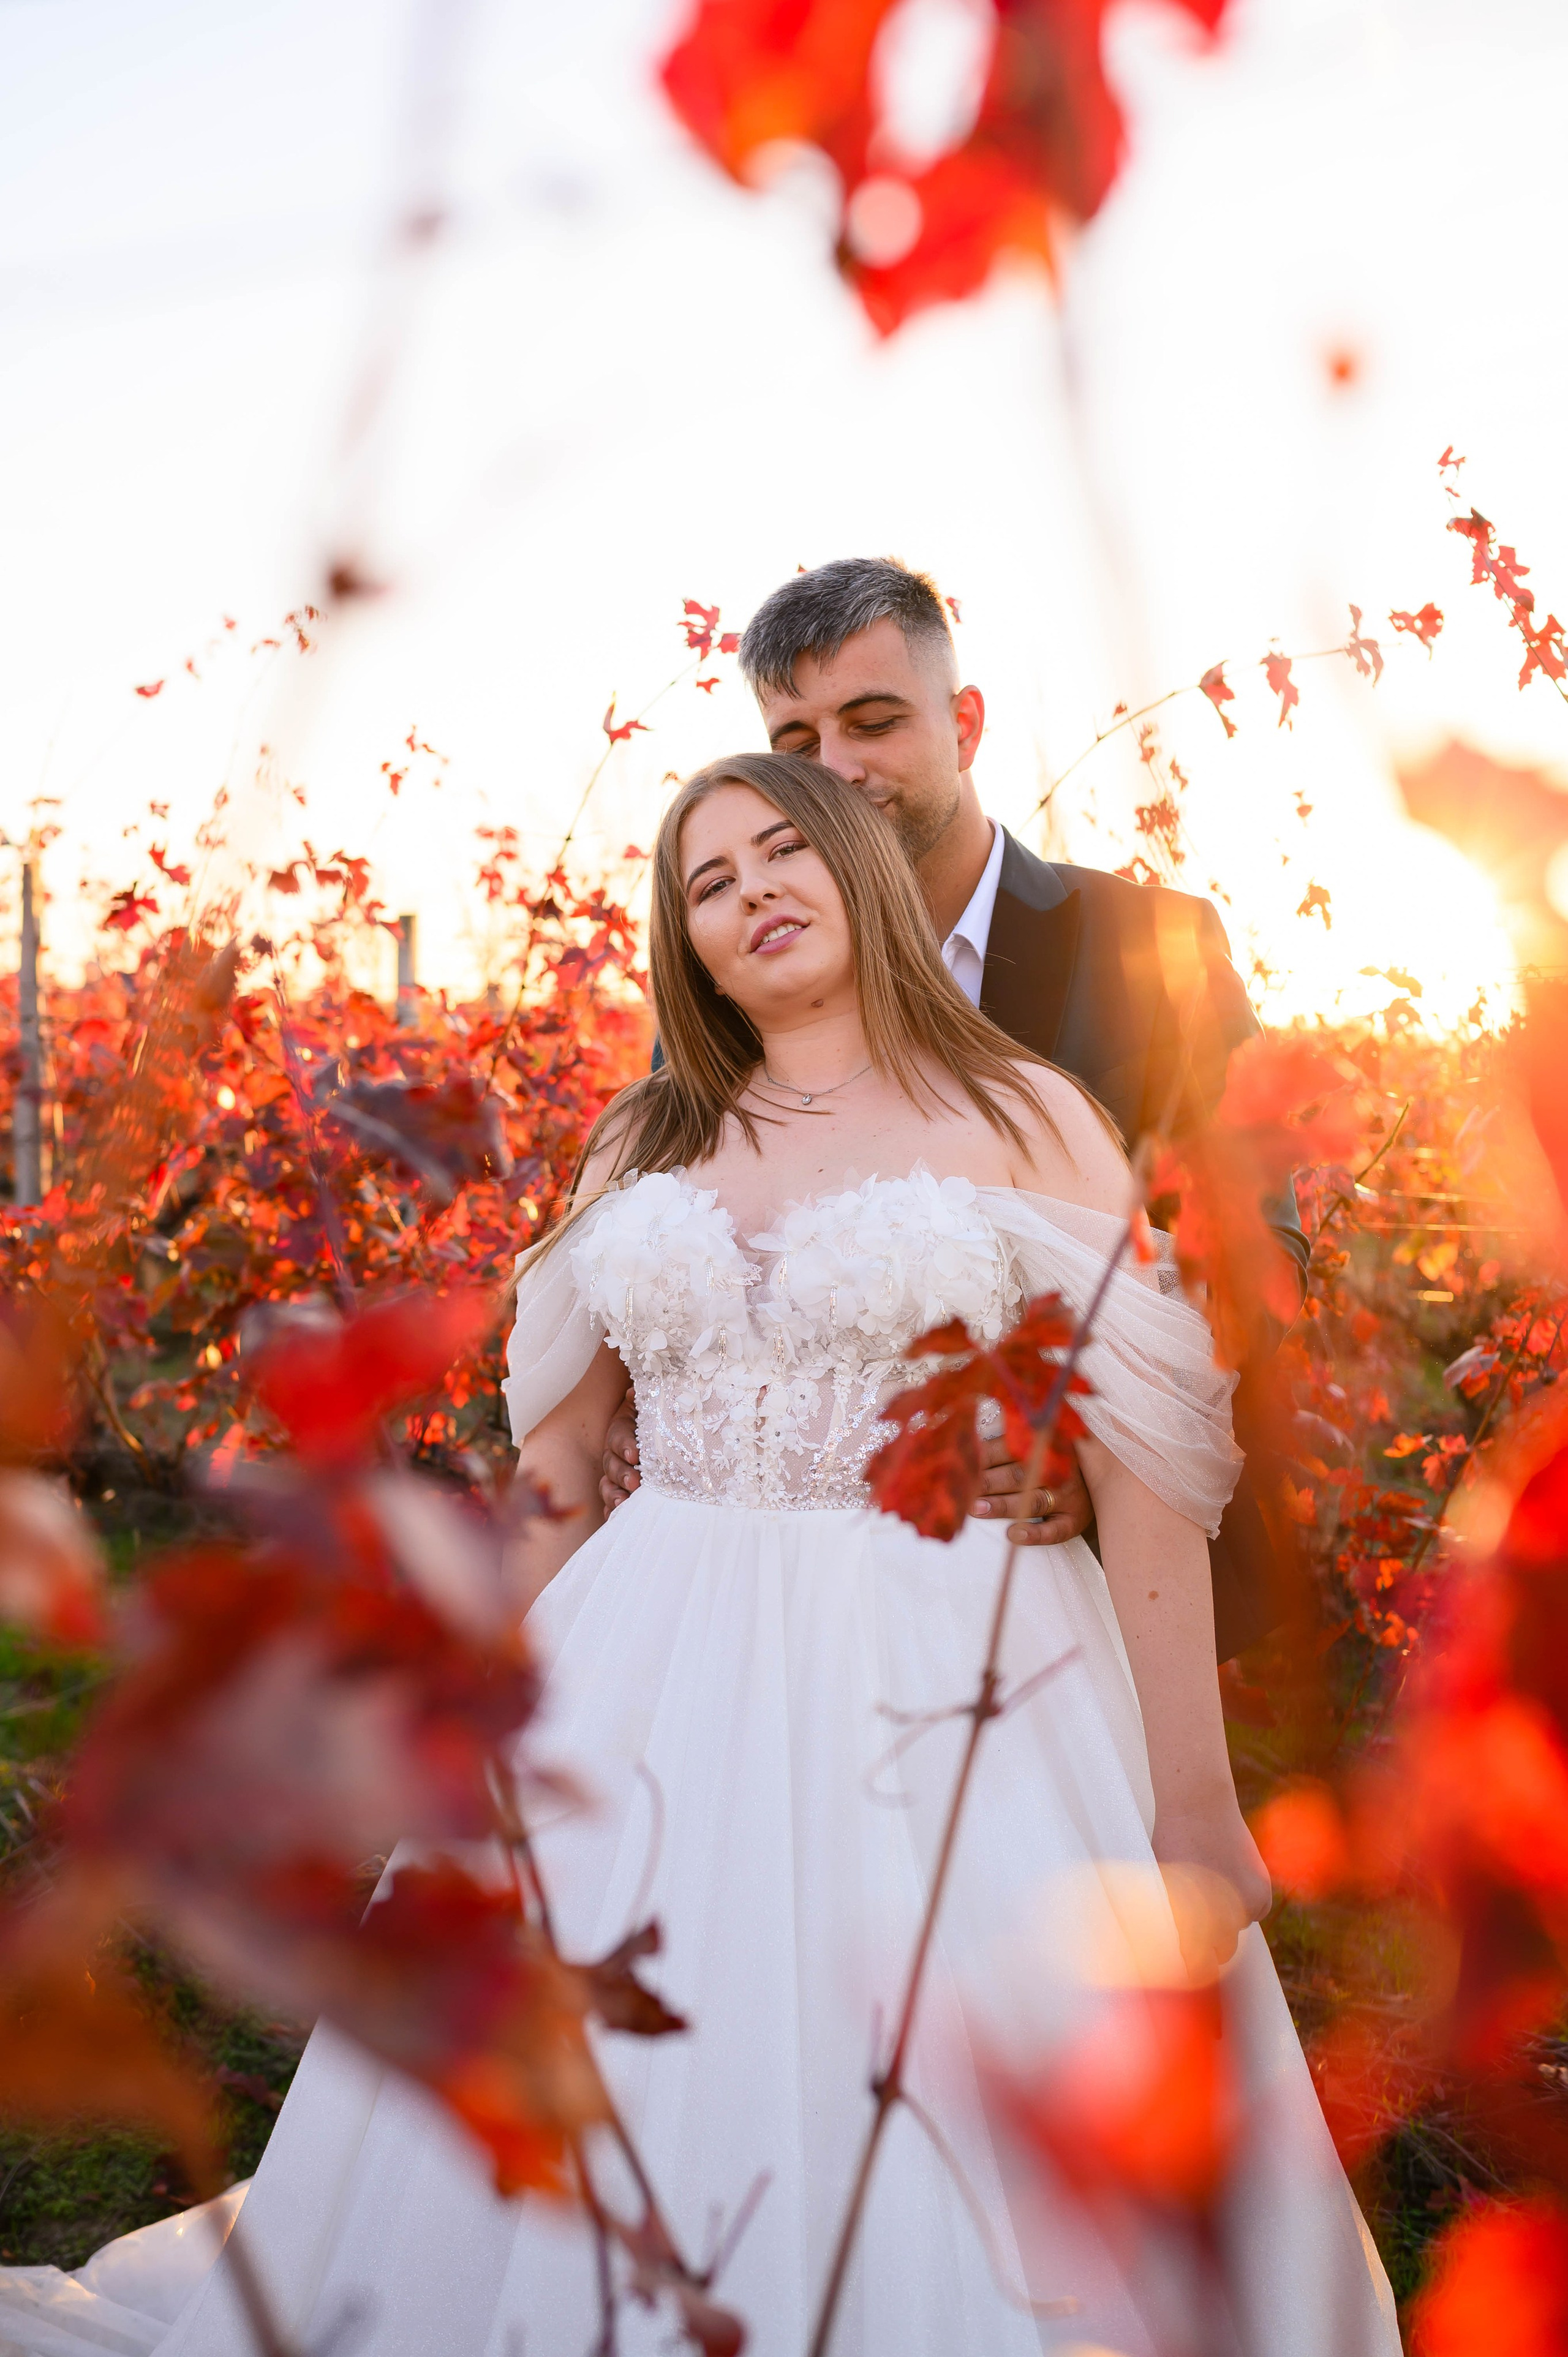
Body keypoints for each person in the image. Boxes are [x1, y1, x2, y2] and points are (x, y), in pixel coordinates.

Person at [36, 748, 1393, 2357]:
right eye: (707, 882)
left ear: (858, 872)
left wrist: (1193, 1805)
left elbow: (1151, 1472)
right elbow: (552, 1476)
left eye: (780, 855)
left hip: (944, 1666)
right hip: (646, 1664)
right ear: (682, 938)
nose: (752, 894)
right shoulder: (641, 1142)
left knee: (958, 2088)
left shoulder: (1025, 1118)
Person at [601, 559, 1305, 1661]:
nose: (836, 770)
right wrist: (637, 1420)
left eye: (873, 723)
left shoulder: (1147, 949)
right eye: (796, 747)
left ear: (965, 724)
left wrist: (1096, 1447)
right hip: (766, 1626)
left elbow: (1255, 1252)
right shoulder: (730, 1003)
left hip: (1085, 1611)